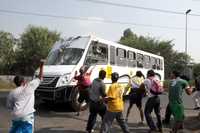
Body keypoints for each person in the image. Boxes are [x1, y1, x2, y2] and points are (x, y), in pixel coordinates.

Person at [6, 60, 44, 133]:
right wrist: (41, 65)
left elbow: (9, 106)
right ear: (23, 82)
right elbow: (40, 77)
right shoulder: (29, 87)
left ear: (15, 83)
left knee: (16, 129)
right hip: (27, 116)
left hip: (16, 116)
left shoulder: (12, 92)